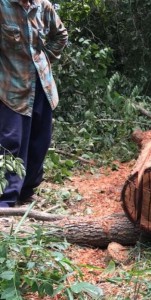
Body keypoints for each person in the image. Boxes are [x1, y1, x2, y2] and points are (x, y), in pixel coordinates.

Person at [0, 0, 68, 207]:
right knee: (11, 142)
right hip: (12, 86)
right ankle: (6, 199)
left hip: (42, 85)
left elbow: (60, 35)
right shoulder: (3, 7)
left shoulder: (42, 6)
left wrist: (45, 58)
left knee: (41, 140)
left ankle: (26, 190)